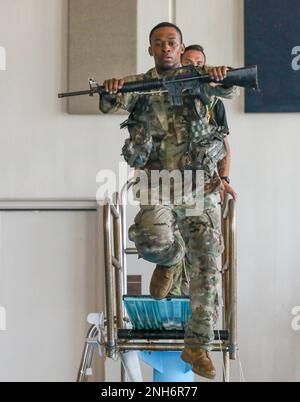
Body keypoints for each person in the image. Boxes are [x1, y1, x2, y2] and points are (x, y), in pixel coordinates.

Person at [99, 22, 240, 380]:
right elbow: (108, 104)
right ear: (151, 50)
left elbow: (229, 91)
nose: (165, 48)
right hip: (158, 185)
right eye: (158, 43)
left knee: (208, 262)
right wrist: (111, 88)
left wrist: (221, 75)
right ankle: (171, 259)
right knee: (150, 240)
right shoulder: (139, 84)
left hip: (197, 189)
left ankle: (197, 345)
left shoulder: (200, 79)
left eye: (171, 42)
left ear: (180, 47)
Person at [182, 44, 237, 201]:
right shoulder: (166, 96)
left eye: (199, 63)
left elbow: (224, 145)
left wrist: (224, 179)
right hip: (168, 181)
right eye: (188, 62)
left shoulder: (214, 103)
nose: (194, 67)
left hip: (203, 183)